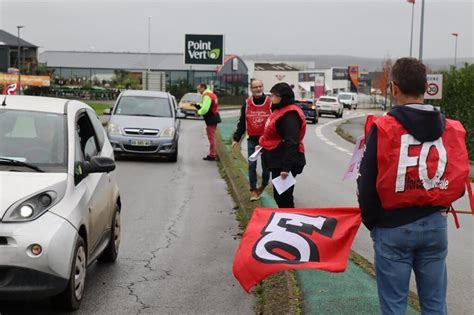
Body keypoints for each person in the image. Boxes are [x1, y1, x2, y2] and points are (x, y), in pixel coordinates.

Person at [357, 57, 471, 315]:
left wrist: (373, 221)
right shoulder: (450, 127)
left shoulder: (383, 126)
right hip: (435, 225)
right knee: (434, 305)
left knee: (395, 306)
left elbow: (367, 182)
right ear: (425, 87)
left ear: (394, 88)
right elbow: (459, 180)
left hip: (392, 227)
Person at [259, 82, 306, 208]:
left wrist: (286, 168)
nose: (271, 98)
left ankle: (291, 224)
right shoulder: (280, 110)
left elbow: (292, 142)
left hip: (285, 162)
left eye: (274, 95)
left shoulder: (290, 115)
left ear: (282, 97)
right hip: (277, 160)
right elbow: (274, 135)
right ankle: (287, 222)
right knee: (280, 197)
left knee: (284, 198)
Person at [232, 79, 271, 201]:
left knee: (266, 167)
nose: (258, 89)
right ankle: (253, 190)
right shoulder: (247, 103)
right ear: (251, 89)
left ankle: (264, 184)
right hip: (252, 140)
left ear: (263, 87)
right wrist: (236, 138)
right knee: (251, 165)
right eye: (255, 87)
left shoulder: (270, 103)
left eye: (260, 86)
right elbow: (242, 122)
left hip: (266, 141)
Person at [194, 83, 221, 161]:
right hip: (214, 117)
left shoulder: (207, 95)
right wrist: (196, 105)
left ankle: (212, 155)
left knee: (211, 137)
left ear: (203, 87)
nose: (199, 91)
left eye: (199, 89)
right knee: (212, 136)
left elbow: (205, 108)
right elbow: (205, 105)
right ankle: (212, 154)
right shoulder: (212, 94)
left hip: (211, 118)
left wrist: (198, 112)